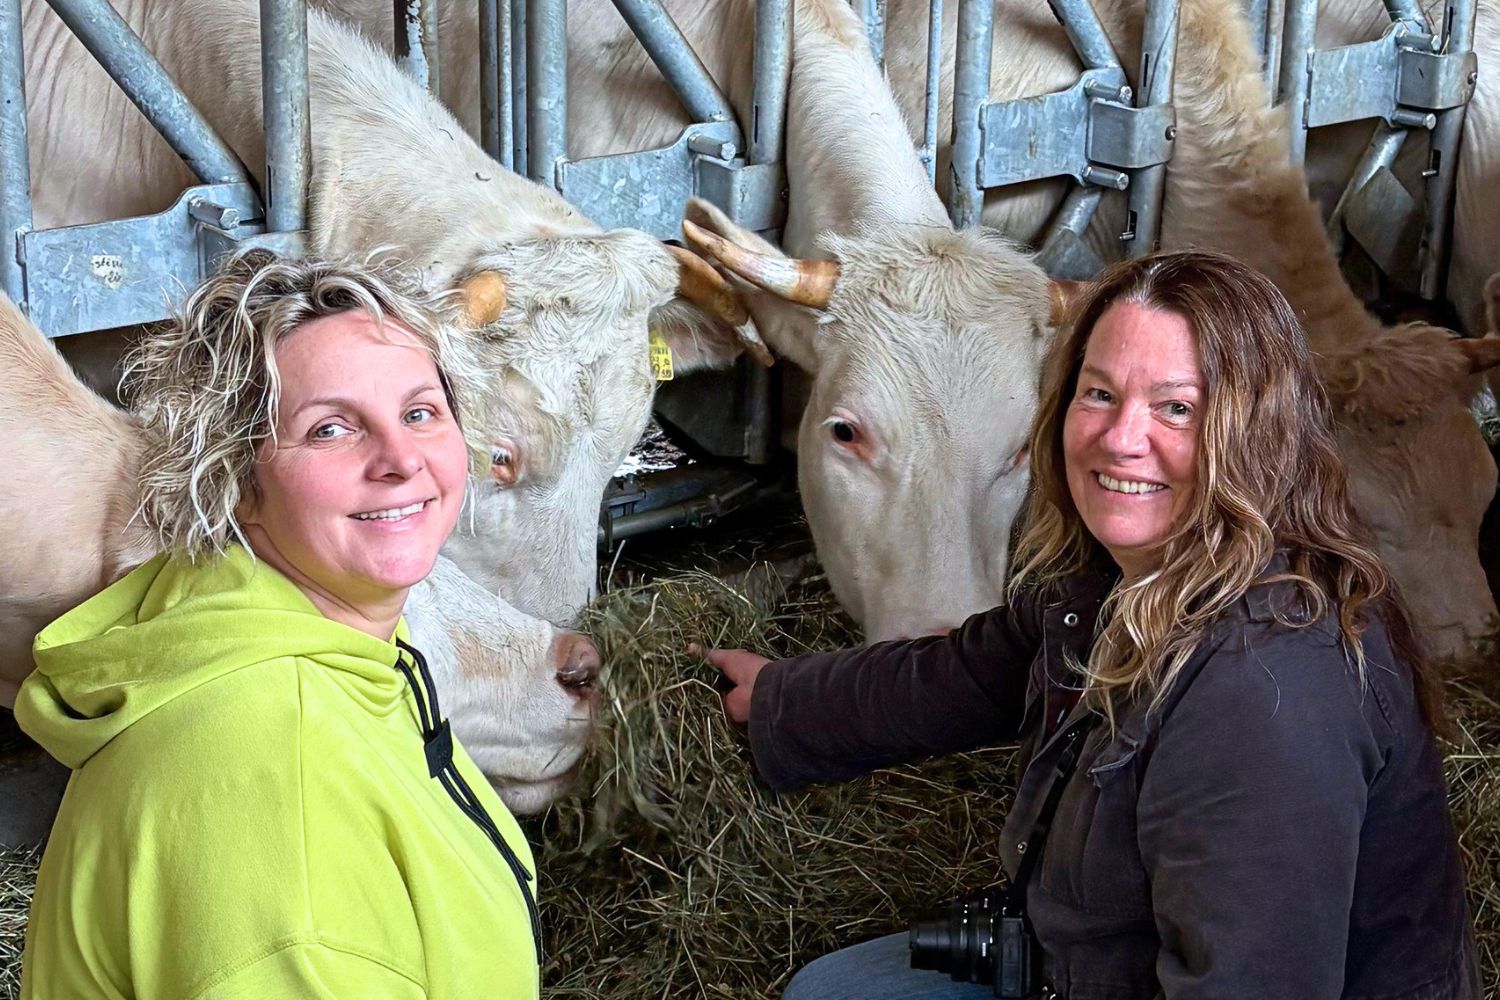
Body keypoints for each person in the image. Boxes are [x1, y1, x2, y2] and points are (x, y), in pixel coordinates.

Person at [699, 250, 1480, 999]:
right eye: (1100, 394)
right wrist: (782, 700)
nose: (1120, 439)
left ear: (1256, 430)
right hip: (1098, 962)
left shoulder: (1263, 688)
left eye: (1176, 408)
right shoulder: (1119, 580)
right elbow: (965, 674)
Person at [15, 251, 543, 998]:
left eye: (420, 412)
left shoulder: (316, 642)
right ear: (235, 479)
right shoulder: (274, 786)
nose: (400, 458)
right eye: (331, 429)